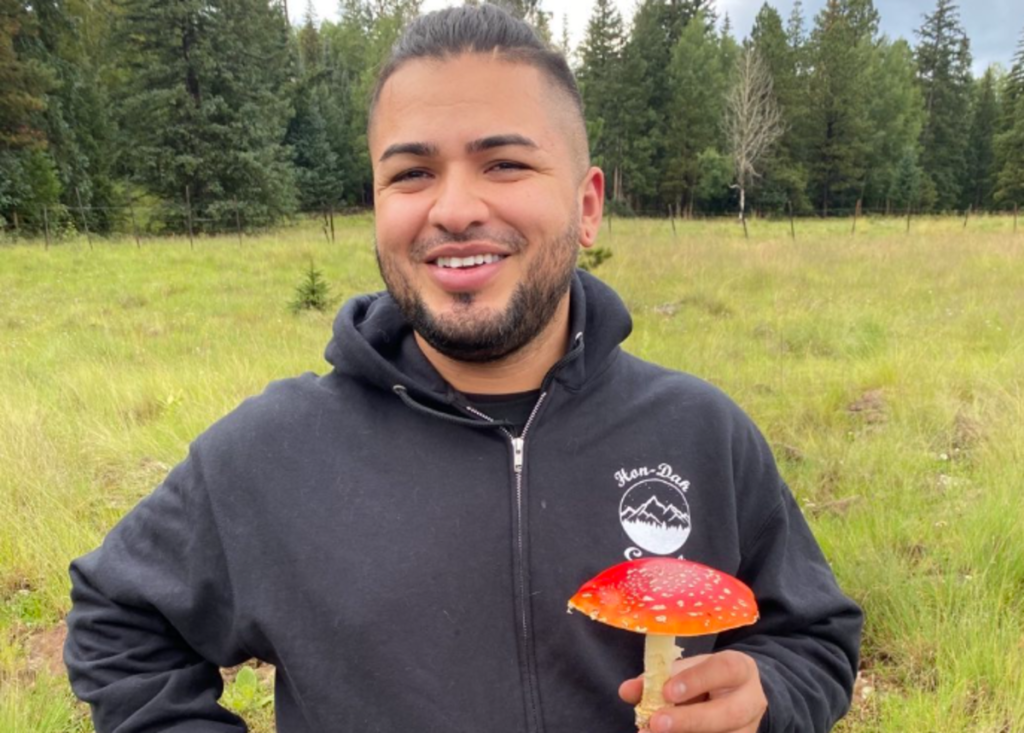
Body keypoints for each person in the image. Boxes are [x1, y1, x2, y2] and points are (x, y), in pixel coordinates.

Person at [64, 5, 863, 733]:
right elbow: (117, 618)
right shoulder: (273, 454)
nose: (452, 208)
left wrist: (768, 693)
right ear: (377, 203)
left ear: (587, 206)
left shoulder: (700, 432)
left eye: (505, 164)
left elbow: (812, 636)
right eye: (411, 173)